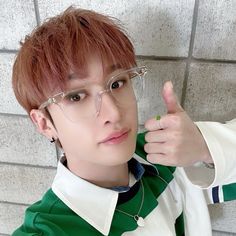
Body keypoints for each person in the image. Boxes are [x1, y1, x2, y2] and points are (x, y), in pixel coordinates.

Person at [12, 6, 236, 236]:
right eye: (76, 96)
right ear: (44, 123)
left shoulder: (164, 153)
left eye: (117, 83)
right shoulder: (48, 230)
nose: (114, 113)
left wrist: (205, 147)